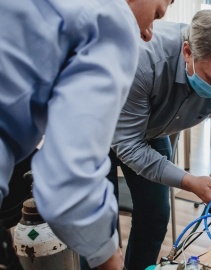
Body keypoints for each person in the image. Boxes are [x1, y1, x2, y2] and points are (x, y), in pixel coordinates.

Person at [0, 0, 173, 269]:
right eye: (156, 14)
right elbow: (66, 176)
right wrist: (108, 257)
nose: (149, 32)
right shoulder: (110, 19)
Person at [108, 8, 211, 270]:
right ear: (187, 51)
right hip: (97, 131)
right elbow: (128, 145)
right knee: (100, 226)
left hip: (151, 131)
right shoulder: (144, 60)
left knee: (156, 213)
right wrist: (187, 181)